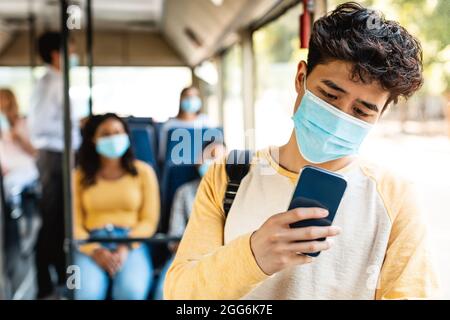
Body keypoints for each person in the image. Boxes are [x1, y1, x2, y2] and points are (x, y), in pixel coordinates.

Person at [164, 2, 440, 300]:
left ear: (379, 116)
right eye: (330, 95)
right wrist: (252, 256)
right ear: (300, 79)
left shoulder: (394, 198)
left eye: (361, 111)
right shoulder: (230, 175)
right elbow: (181, 295)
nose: (339, 118)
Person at [73, 113, 160, 300]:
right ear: (93, 140)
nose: (113, 138)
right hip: (89, 242)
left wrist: (125, 247)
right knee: (85, 293)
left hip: (132, 241)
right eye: (105, 134)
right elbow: (74, 224)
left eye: (118, 132)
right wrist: (95, 250)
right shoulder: (78, 176)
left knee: (132, 292)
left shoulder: (144, 172)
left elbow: (149, 221)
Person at [28, 31, 81, 299]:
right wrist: (71, 128)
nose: (74, 57)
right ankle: (44, 284)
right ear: (56, 54)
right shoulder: (49, 83)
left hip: (61, 154)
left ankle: (59, 277)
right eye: (70, 52)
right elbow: (37, 126)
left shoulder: (59, 81)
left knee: (60, 219)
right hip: (53, 156)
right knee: (52, 219)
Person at [154, 140, 227, 300]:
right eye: (210, 156)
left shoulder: (237, 192)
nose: (214, 162)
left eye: (219, 157)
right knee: (163, 293)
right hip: (186, 254)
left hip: (224, 256)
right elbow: (174, 238)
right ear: (198, 161)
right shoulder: (184, 192)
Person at [0, 88, 38, 198]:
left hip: (25, 170)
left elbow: (35, 152)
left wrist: (18, 140)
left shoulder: (25, 123)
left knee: (7, 184)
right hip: (7, 171)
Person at [158, 86, 212, 162]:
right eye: (188, 97)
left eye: (195, 97)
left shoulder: (206, 122)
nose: (191, 100)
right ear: (181, 100)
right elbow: (162, 154)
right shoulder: (169, 125)